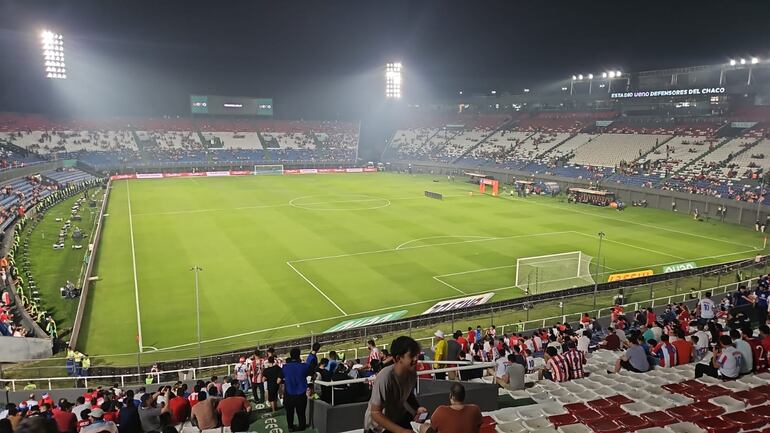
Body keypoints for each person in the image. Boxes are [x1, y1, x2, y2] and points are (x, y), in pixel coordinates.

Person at [364, 336, 426, 433]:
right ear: (398, 358)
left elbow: (407, 394)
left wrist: (417, 408)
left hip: (397, 419)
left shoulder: (412, 373)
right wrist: (401, 431)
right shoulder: (385, 377)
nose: (415, 359)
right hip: (378, 428)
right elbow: (375, 413)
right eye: (412, 356)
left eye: (416, 355)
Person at [282, 347, 311, 432]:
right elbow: (313, 375)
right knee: (301, 412)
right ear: (299, 355)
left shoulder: (285, 367)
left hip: (289, 394)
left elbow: (280, 378)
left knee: (289, 412)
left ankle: (290, 427)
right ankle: (302, 427)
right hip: (300, 394)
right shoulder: (305, 366)